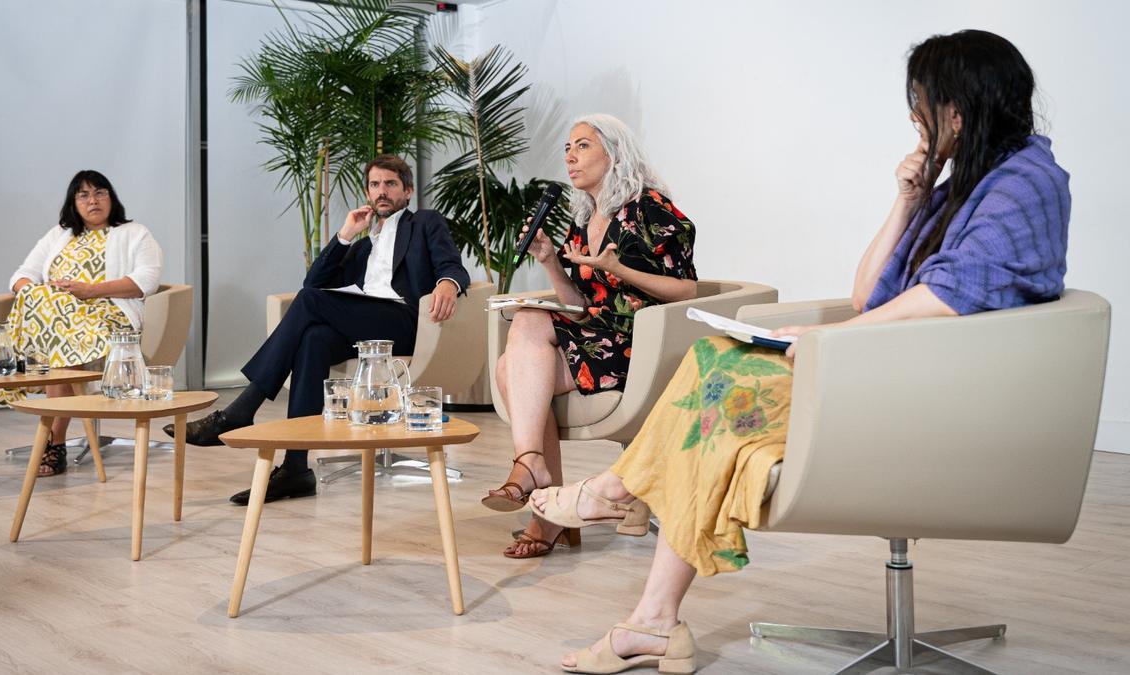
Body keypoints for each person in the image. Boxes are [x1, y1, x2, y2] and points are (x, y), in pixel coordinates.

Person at [530, 29, 1069, 673]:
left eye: (920, 102)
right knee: (714, 381)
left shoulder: (1025, 183)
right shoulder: (963, 185)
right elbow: (870, 293)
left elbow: (950, 299)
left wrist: (826, 338)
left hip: (942, 399)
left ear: (957, 109)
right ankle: (650, 617)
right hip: (905, 371)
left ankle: (615, 503)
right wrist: (908, 199)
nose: (913, 118)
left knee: (718, 399)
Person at [166, 154, 470, 505]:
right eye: (374, 184)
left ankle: (239, 411)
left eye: (390, 184)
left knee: (310, 302)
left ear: (408, 191)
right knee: (313, 340)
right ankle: (296, 467)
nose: (382, 191)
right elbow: (314, 281)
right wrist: (344, 235)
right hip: (362, 324)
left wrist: (448, 283)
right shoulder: (363, 245)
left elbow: (452, 264)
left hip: (404, 321)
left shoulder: (425, 223)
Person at [483, 114, 698, 559]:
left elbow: (687, 289)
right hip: (595, 336)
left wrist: (620, 269)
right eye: (567, 148)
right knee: (523, 343)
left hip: (639, 346)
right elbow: (580, 303)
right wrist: (550, 262)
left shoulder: (649, 207)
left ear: (614, 153)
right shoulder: (584, 217)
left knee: (515, 366)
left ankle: (539, 496)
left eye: (582, 146)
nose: (570, 156)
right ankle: (539, 481)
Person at [4, 170, 163, 476]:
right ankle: (55, 439)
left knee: (61, 334)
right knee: (53, 314)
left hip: (110, 316)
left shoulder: (135, 233)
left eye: (100, 193)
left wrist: (91, 291)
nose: (93, 200)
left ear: (111, 198)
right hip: (56, 319)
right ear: (73, 203)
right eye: (84, 195)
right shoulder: (59, 234)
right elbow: (22, 275)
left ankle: (54, 441)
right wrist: (38, 294)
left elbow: (147, 280)